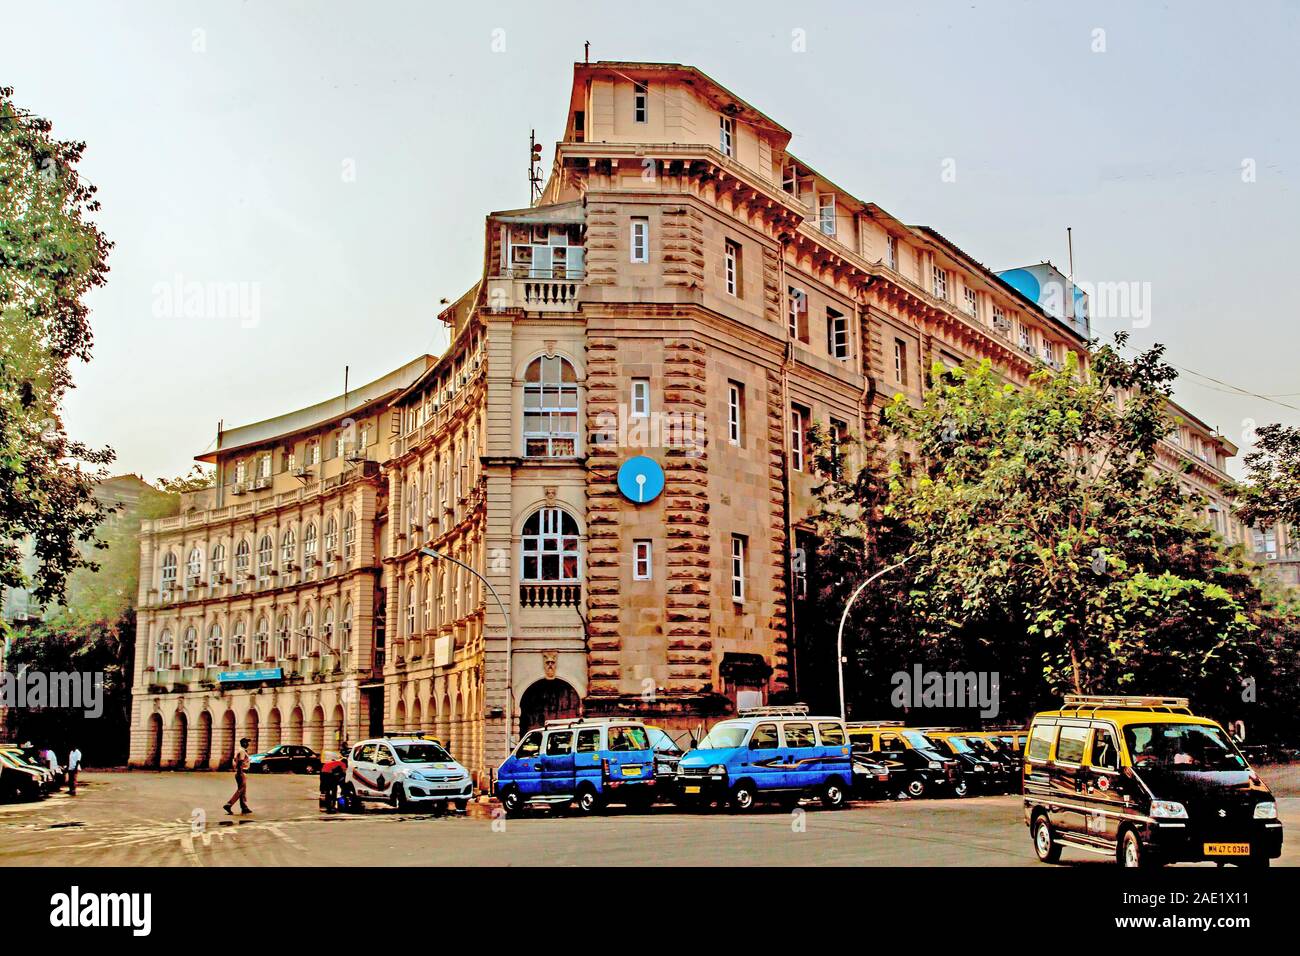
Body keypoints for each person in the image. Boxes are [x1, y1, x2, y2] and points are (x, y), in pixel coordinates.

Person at [224, 737, 253, 814]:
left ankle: (244, 807)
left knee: (242, 791)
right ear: (243, 743)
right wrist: (240, 772)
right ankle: (229, 804)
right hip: (241, 772)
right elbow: (240, 762)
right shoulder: (242, 751)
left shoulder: (240, 750)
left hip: (240, 772)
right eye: (247, 742)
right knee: (240, 790)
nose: (248, 744)